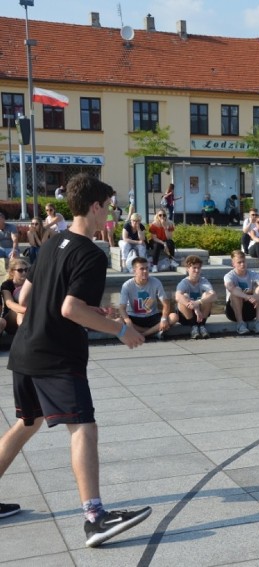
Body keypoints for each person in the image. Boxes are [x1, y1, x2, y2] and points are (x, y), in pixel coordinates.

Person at [0, 173, 150, 547]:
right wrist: (119, 330)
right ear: (96, 207)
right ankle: (95, 518)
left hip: (25, 350)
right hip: (56, 356)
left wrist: (87, 308)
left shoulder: (53, 242)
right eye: (109, 208)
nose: (110, 215)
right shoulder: (90, 253)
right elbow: (69, 308)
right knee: (83, 427)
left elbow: (31, 294)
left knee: (26, 423)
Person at [119, 256, 177, 339]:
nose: (145, 271)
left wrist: (164, 319)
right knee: (119, 321)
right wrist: (128, 321)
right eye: (142, 269)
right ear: (134, 271)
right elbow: (122, 308)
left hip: (151, 316)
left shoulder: (156, 282)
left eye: (147, 268)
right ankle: (153, 332)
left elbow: (166, 303)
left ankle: (143, 335)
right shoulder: (127, 285)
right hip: (135, 317)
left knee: (173, 317)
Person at [224, 250, 259, 335]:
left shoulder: (253, 274)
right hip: (232, 312)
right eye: (239, 262)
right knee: (236, 291)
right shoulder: (229, 276)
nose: (242, 264)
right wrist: (247, 297)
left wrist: (256, 296)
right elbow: (230, 288)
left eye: (244, 262)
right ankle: (240, 324)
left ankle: (258, 323)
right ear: (233, 264)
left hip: (250, 310)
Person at [175, 255, 217, 339]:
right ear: (187, 269)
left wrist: (198, 303)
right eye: (194, 268)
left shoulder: (204, 281)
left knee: (207, 295)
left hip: (200, 315)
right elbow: (177, 296)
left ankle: (201, 326)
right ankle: (194, 326)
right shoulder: (183, 283)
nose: (197, 271)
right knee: (184, 296)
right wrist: (194, 308)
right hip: (186, 316)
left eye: (198, 268)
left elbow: (214, 295)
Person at [1, 257, 30, 334]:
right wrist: (27, 310)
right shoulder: (7, 285)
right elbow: (9, 303)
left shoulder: (31, 284)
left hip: (29, 315)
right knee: (19, 312)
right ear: (12, 272)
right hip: (11, 319)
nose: (24, 272)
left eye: (26, 270)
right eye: (20, 270)